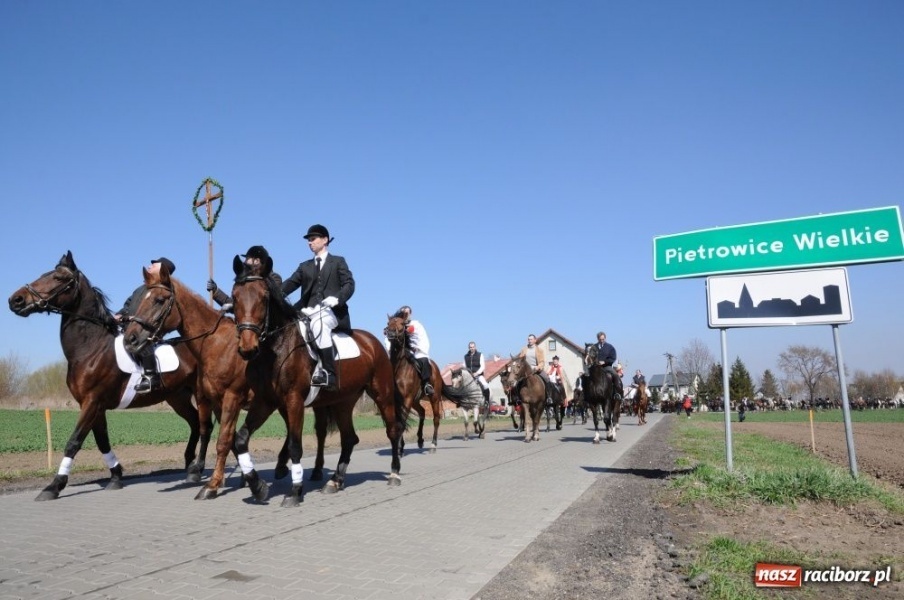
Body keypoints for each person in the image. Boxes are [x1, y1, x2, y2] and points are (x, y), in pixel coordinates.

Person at [281, 224, 354, 390]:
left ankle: (329, 374)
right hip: (307, 311)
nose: (309, 243)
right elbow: (290, 284)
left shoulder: (338, 261)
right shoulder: (304, 266)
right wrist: (270, 293)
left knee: (319, 324)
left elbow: (349, 284)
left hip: (332, 312)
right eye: (308, 240)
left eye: (313, 239)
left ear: (325, 240)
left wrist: (337, 299)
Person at [114, 257, 176, 393]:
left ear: (163, 270)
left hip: (146, 330)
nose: (149, 267)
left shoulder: (162, 290)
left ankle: (150, 376)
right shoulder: (140, 289)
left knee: (142, 342)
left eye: (153, 265)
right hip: (129, 326)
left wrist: (135, 318)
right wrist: (117, 315)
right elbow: (127, 306)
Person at [207, 245, 283, 310]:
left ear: (256, 261)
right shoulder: (246, 281)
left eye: (247, 259)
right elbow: (235, 305)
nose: (244, 262)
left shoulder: (275, 278)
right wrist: (216, 291)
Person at [392, 305, 434, 396]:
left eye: (406, 313)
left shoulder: (414, 324)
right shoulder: (398, 322)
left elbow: (409, 330)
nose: (404, 314)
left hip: (418, 349)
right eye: (402, 312)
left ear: (410, 314)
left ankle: (427, 384)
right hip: (406, 350)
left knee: (423, 359)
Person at [517, 334, 556, 401]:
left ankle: (549, 397)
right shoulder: (524, 349)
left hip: (536, 369)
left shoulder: (539, 350)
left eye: (531, 339)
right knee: (517, 381)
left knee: (547, 379)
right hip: (526, 370)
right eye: (528, 339)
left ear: (535, 340)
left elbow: (542, 361)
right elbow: (520, 360)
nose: (529, 341)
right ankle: (518, 398)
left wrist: (538, 367)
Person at [592, 331, 624, 401]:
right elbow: (591, 357)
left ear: (605, 338)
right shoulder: (594, 347)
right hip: (596, 367)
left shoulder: (610, 347)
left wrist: (604, 362)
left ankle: (617, 393)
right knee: (587, 375)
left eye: (603, 339)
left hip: (606, 367)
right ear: (598, 339)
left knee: (615, 375)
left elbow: (613, 357)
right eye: (600, 339)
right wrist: (596, 362)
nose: (601, 341)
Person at [464, 341, 491, 406]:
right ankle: (462, 401)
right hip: (469, 376)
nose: (472, 348)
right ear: (469, 348)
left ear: (475, 347)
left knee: (485, 385)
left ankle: (486, 401)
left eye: (473, 347)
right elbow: (464, 366)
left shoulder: (480, 355)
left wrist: (477, 373)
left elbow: (483, 366)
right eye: (470, 347)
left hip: (478, 375)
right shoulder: (466, 356)